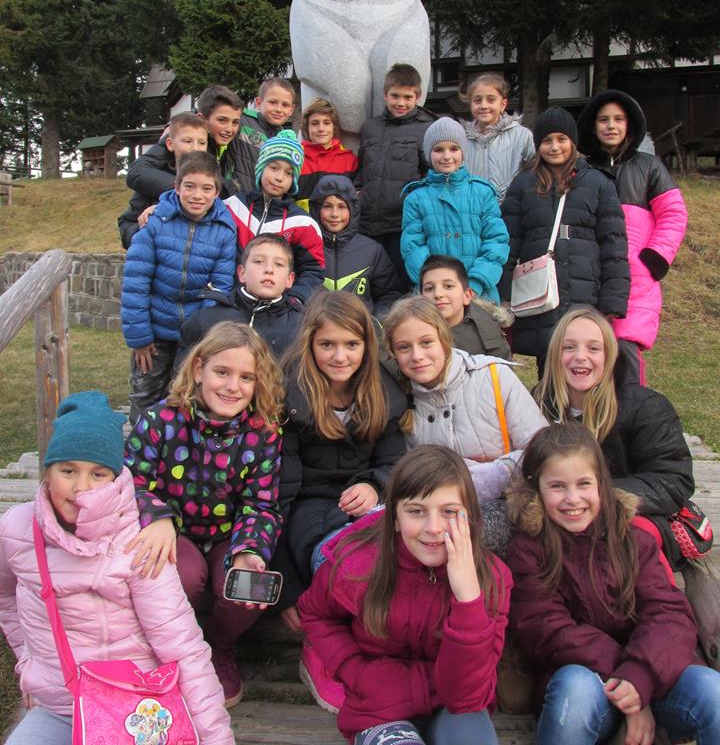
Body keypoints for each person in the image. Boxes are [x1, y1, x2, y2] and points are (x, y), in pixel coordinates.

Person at [0, 391, 233, 745]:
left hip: (133, 710)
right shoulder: (16, 530)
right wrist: (28, 662)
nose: (81, 488)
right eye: (68, 470)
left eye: (98, 474)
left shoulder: (139, 542)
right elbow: (5, 596)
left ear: (116, 477)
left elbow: (182, 647)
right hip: (59, 709)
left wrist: (216, 738)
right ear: (48, 471)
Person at [506, 422, 720, 745]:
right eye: (558, 487)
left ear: (601, 484)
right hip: (585, 682)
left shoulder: (633, 539)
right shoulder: (528, 550)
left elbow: (668, 613)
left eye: (583, 484)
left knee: (711, 691)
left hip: (652, 674)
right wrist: (629, 684)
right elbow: (547, 631)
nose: (573, 499)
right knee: (575, 689)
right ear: (536, 489)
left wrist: (640, 677)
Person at [298, 444, 512, 745]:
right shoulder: (358, 563)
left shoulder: (491, 579)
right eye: (416, 511)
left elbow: (466, 697)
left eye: (449, 511)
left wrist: (468, 600)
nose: (433, 528)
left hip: (454, 708)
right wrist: (354, 671)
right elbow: (317, 613)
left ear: (470, 517)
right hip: (380, 708)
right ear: (395, 517)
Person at [124, 321, 284, 707]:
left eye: (246, 377)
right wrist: (157, 517)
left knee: (249, 589)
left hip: (229, 534)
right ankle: (179, 643)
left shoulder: (263, 432)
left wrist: (249, 550)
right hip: (175, 530)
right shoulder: (159, 421)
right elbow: (130, 483)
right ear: (198, 370)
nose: (232, 386)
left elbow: (261, 503)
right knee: (180, 574)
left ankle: (215, 645)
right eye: (222, 372)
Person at [273, 291, 407, 699]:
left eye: (351, 344)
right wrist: (287, 589)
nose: (339, 356)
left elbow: (394, 461)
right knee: (343, 560)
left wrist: (373, 483)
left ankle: (385, 648)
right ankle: (324, 646)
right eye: (327, 344)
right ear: (310, 344)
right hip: (307, 509)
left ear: (367, 346)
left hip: (367, 502)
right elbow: (275, 497)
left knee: (398, 549)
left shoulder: (379, 393)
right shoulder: (289, 400)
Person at [535, 306, 694, 569]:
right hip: (560, 513)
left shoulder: (645, 407)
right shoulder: (536, 404)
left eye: (593, 348)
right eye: (569, 347)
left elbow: (673, 480)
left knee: (626, 540)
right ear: (554, 355)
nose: (580, 357)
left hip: (631, 518)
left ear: (609, 355)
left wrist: (596, 496)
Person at [500, 106, 630, 373]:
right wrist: (504, 295)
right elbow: (509, 242)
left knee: (583, 364)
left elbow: (614, 245)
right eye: (547, 140)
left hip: (585, 291)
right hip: (540, 292)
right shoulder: (523, 184)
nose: (555, 147)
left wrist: (613, 300)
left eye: (562, 139)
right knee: (548, 361)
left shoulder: (598, 183)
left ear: (573, 142)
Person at [383, 297, 546, 508]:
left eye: (426, 342)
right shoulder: (399, 403)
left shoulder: (494, 377)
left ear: (444, 340)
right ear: (393, 353)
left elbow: (542, 450)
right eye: (404, 347)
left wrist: (493, 474)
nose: (417, 356)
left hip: (509, 504)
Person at [578, 89, 688, 385]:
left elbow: (674, 213)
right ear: (593, 126)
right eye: (603, 120)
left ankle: (634, 412)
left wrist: (655, 257)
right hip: (591, 275)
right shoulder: (582, 171)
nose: (611, 126)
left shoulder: (649, 167)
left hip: (637, 279)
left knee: (625, 353)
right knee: (589, 353)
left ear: (629, 125)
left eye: (618, 119)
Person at [121, 152, 237, 424]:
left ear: (217, 192)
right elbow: (136, 281)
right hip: (154, 333)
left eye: (206, 188)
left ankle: (177, 448)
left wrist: (202, 338)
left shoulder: (224, 230)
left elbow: (218, 289)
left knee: (184, 398)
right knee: (144, 397)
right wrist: (139, 337)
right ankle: (140, 447)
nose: (197, 195)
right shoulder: (155, 223)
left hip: (193, 335)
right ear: (177, 187)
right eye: (190, 186)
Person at [401, 116, 509, 302]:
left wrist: (475, 283)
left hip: (479, 294)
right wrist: (434, 286)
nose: (446, 156)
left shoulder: (482, 192)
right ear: (428, 153)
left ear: (463, 152)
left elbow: (496, 241)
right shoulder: (416, 198)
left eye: (454, 149)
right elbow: (413, 247)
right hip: (435, 297)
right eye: (438, 150)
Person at [357, 62, 436, 290]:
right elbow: (362, 168)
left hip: (402, 225)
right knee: (370, 285)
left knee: (403, 286)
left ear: (417, 97)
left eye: (408, 97)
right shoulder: (370, 127)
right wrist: (358, 192)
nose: (401, 103)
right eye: (395, 96)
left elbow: (431, 173)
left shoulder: (427, 128)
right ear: (385, 95)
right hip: (368, 223)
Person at [223, 130, 325, 304]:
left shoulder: (303, 223)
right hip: (232, 303)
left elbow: (313, 270)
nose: (279, 178)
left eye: (289, 173)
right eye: (274, 168)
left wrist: (293, 301)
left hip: (277, 310)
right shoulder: (232, 206)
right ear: (260, 167)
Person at [175, 234, 304, 365]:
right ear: (242, 273)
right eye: (258, 261)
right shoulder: (207, 319)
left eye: (279, 264)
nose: (269, 270)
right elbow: (185, 372)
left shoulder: (301, 327)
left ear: (290, 279)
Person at [309, 174, 402, 317]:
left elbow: (389, 294)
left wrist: (375, 324)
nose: (334, 214)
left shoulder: (372, 251)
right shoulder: (305, 249)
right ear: (316, 209)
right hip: (316, 329)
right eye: (327, 206)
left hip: (359, 330)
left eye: (342, 207)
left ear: (353, 210)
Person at [118, 111, 209, 249]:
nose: (195, 148)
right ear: (170, 144)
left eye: (202, 143)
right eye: (188, 141)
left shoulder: (212, 180)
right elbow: (127, 226)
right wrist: (151, 225)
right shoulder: (154, 178)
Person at [419, 255, 511, 359]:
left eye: (448, 286)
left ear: (467, 295)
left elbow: (501, 366)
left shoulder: (488, 329)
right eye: (429, 289)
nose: (438, 294)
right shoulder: (410, 329)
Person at [461, 73, 535, 202]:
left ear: (503, 104)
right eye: (477, 100)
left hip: (509, 207)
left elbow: (534, 171)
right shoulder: (461, 138)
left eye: (491, 100)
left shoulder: (522, 136)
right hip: (471, 207)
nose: (483, 106)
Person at [231, 77, 297, 193]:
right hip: (232, 197)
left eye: (285, 105)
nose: (278, 109)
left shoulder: (287, 142)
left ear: (291, 110)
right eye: (273, 102)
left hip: (262, 201)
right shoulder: (242, 121)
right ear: (259, 103)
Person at [296, 97, 358, 205]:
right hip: (299, 216)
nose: (321, 129)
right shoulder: (295, 157)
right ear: (306, 128)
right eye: (315, 123)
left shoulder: (349, 159)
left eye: (326, 123)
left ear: (334, 126)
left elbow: (354, 203)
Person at [195, 84, 244, 196]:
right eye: (222, 120)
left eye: (235, 122)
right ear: (202, 119)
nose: (229, 129)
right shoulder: (191, 145)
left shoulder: (220, 145)